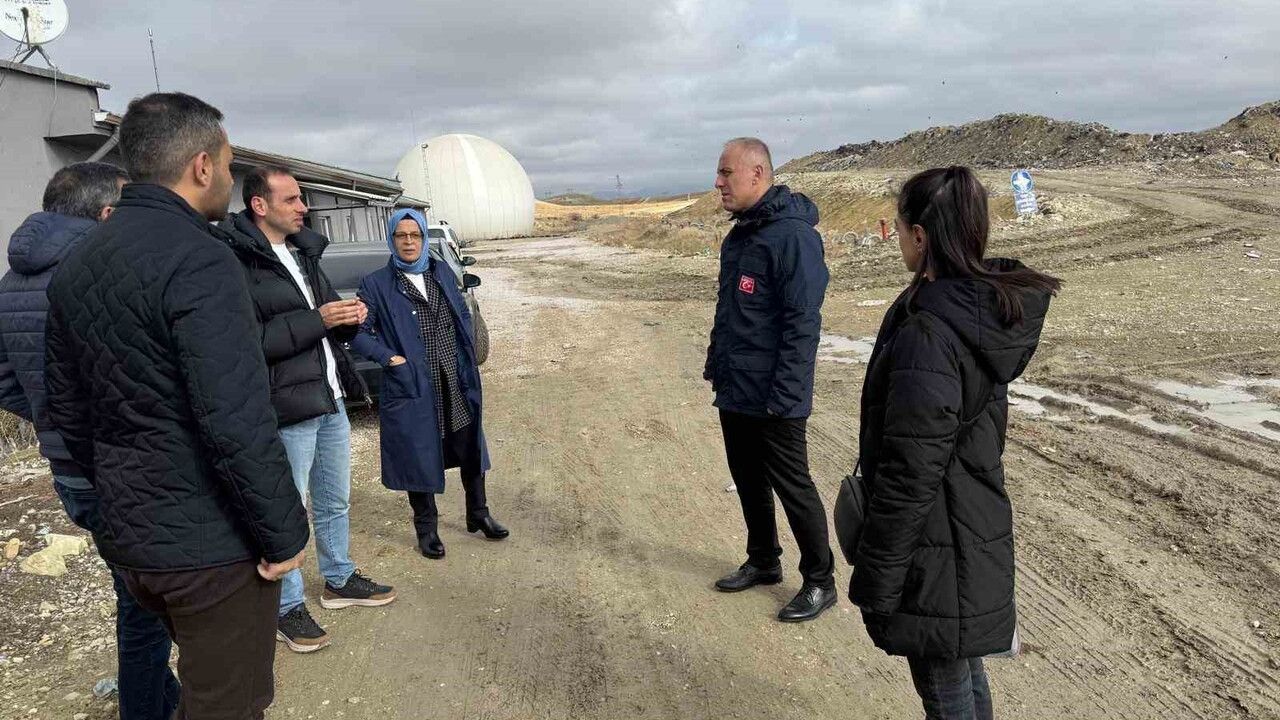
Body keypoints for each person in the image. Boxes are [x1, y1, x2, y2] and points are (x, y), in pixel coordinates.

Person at [45, 92, 309, 720]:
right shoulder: (203, 259)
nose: (227, 172)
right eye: (226, 160)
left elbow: (66, 412)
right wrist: (282, 532)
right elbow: (236, 418)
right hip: (210, 549)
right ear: (200, 166)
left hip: (132, 540)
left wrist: (114, 497)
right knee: (227, 704)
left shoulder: (80, 261)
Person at [850, 166, 1060, 719]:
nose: (898, 241)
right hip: (968, 521)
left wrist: (879, 574)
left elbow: (910, 469)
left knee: (945, 685)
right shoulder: (975, 308)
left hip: (936, 538)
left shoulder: (931, 330)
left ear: (920, 235)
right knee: (962, 664)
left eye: (899, 230)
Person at [0, 162, 182, 720]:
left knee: (135, 593)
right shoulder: (96, 272)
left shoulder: (10, 283)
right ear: (106, 214)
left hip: (69, 469)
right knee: (145, 608)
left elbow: (5, 379)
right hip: (123, 468)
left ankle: (160, 697)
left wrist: (48, 419)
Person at [223, 166, 395, 654]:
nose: (304, 207)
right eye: (294, 199)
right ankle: (285, 607)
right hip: (287, 406)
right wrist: (317, 319)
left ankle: (338, 578)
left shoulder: (302, 252)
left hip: (331, 395)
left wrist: (345, 319)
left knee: (335, 499)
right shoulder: (238, 262)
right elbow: (247, 343)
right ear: (260, 205)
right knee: (289, 508)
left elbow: (323, 322)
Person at [704, 137, 837, 623]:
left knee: (792, 484)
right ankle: (764, 560)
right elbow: (732, 311)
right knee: (747, 477)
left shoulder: (793, 237)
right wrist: (717, 361)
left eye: (726, 173)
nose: (718, 183)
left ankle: (821, 580)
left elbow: (803, 324)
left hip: (776, 393)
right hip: (738, 386)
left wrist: (787, 395)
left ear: (757, 174)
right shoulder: (740, 236)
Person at [350, 209, 508, 559]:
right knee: (418, 454)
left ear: (423, 238)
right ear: (392, 240)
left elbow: (462, 313)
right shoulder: (376, 284)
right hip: (414, 385)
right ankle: (427, 529)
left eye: (415, 235)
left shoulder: (440, 271)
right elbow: (357, 334)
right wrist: (391, 359)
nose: (408, 242)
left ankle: (478, 514)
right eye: (401, 236)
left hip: (455, 378)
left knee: (471, 448)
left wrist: (466, 346)